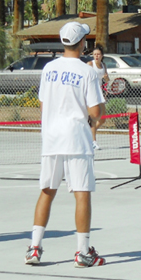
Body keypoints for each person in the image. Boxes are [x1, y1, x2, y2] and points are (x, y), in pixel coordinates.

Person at [26, 22, 106, 267]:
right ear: (82, 43)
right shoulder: (87, 72)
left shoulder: (49, 69)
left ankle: (34, 248)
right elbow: (95, 111)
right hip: (76, 138)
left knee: (47, 191)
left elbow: (42, 103)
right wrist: (98, 111)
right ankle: (83, 253)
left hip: (51, 138)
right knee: (82, 194)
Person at [87, 45, 109, 150]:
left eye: (98, 54)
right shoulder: (90, 64)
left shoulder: (104, 65)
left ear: (102, 56)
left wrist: (106, 78)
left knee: (103, 118)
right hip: (91, 93)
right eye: (94, 54)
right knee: (94, 118)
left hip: (100, 92)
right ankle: (93, 141)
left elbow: (107, 79)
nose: (96, 56)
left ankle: (89, 132)